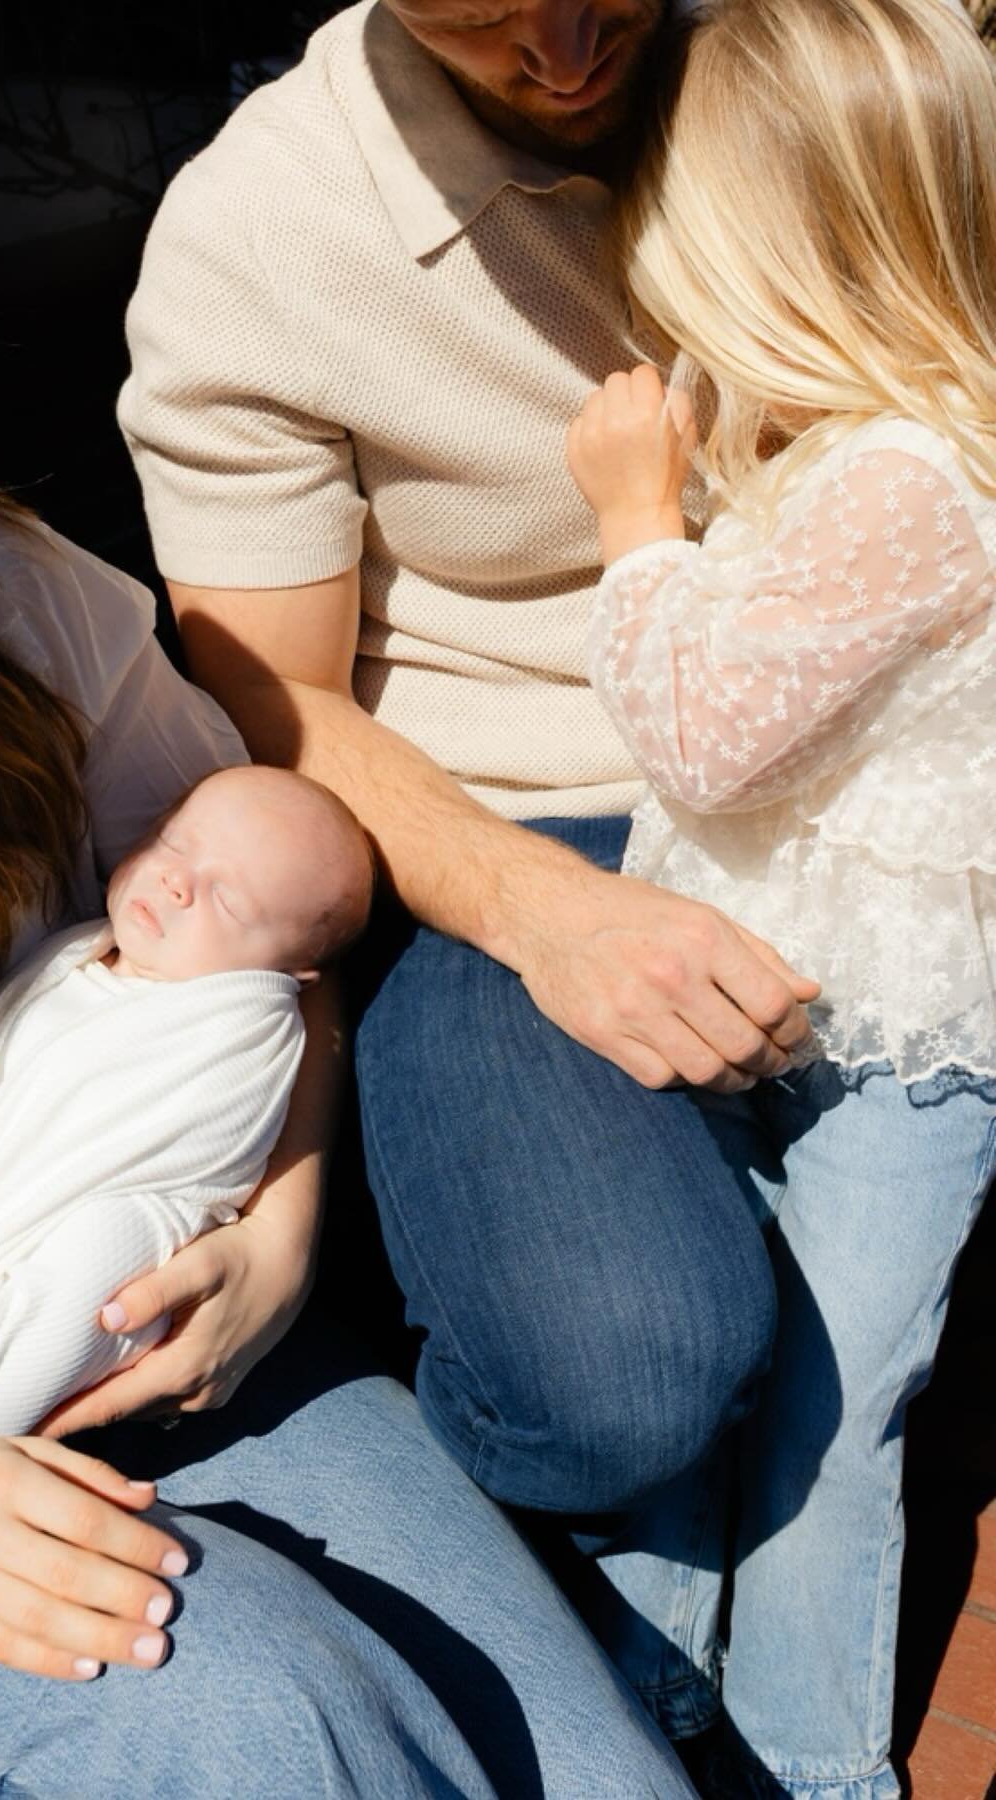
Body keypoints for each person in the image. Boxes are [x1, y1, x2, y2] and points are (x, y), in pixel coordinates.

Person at [0, 148, 695, 1797]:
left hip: (130, 1338)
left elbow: (262, 958)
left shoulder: (3, 615)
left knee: (579, 1756)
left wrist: (281, 1224)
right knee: (275, 1727)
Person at [118, 0, 794, 1530]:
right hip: (516, 807)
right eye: (484, 19)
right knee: (627, 1378)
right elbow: (272, 684)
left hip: (845, 728)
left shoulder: (821, 53)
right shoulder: (260, 232)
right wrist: (547, 914)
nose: (562, 56)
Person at [563, 1, 996, 1793]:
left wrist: (633, 519)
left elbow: (706, 737)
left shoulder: (905, 478)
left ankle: (804, 1767)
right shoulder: (891, 443)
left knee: (825, 1411)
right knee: (725, 1371)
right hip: (809, 1000)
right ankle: (661, 1708)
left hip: (892, 1051)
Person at [0, 766, 375, 1439]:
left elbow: (195, 1146)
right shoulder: (79, 956)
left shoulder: (237, 1028)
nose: (178, 880)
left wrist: (277, 1238)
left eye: (230, 901)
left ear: (286, 974)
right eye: (174, 844)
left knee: (104, 1256)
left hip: (139, 1241)